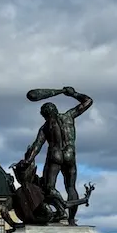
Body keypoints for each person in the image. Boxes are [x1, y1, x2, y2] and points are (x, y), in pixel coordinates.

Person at [23, 87, 93, 225]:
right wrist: (73, 94)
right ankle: (71, 220)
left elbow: (37, 146)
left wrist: (27, 161)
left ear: (44, 114)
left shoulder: (45, 127)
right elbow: (88, 101)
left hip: (55, 154)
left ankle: (61, 209)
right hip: (70, 154)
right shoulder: (68, 116)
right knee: (71, 187)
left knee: (49, 188)